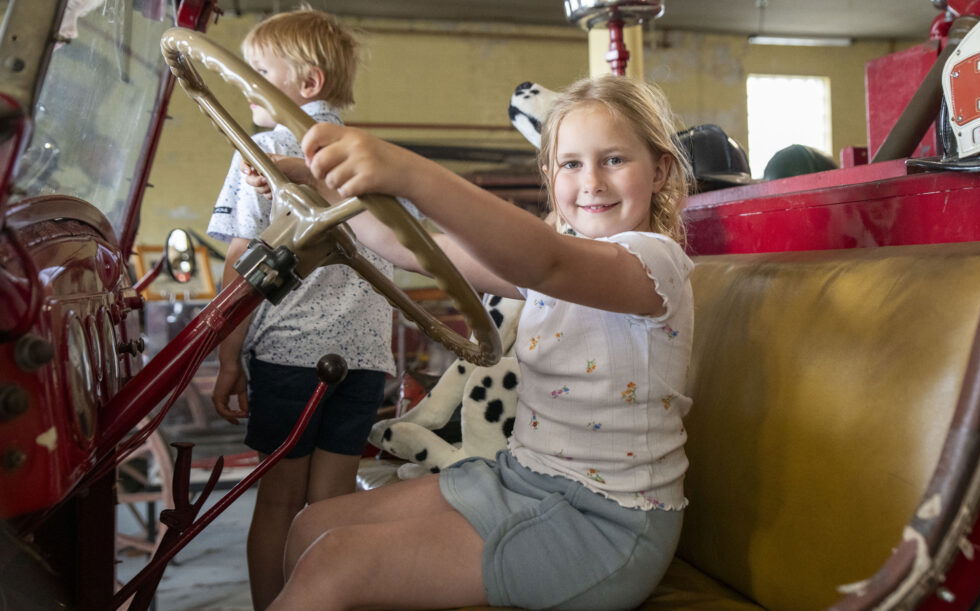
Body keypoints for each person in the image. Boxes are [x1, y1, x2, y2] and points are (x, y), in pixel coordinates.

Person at [254, 74, 697, 610]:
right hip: (523, 478)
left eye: (614, 160)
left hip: (605, 523)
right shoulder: (552, 265)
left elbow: (547, 260)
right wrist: (325, 189)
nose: (592, 183)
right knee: (311, 526)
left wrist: (410, 173)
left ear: (661, 171)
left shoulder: (653, 264)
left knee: (335, 564)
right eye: (571, 163)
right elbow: (410, 249)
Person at [206, 7, 395, 611]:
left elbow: (243, 260)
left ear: (307, 83)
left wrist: (229, 357)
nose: (245, 83)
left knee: (279, 501)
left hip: (290, 352)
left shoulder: (257, 151)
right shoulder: (377, 156)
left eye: (258, 71)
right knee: (333, 505)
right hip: (365, 356)